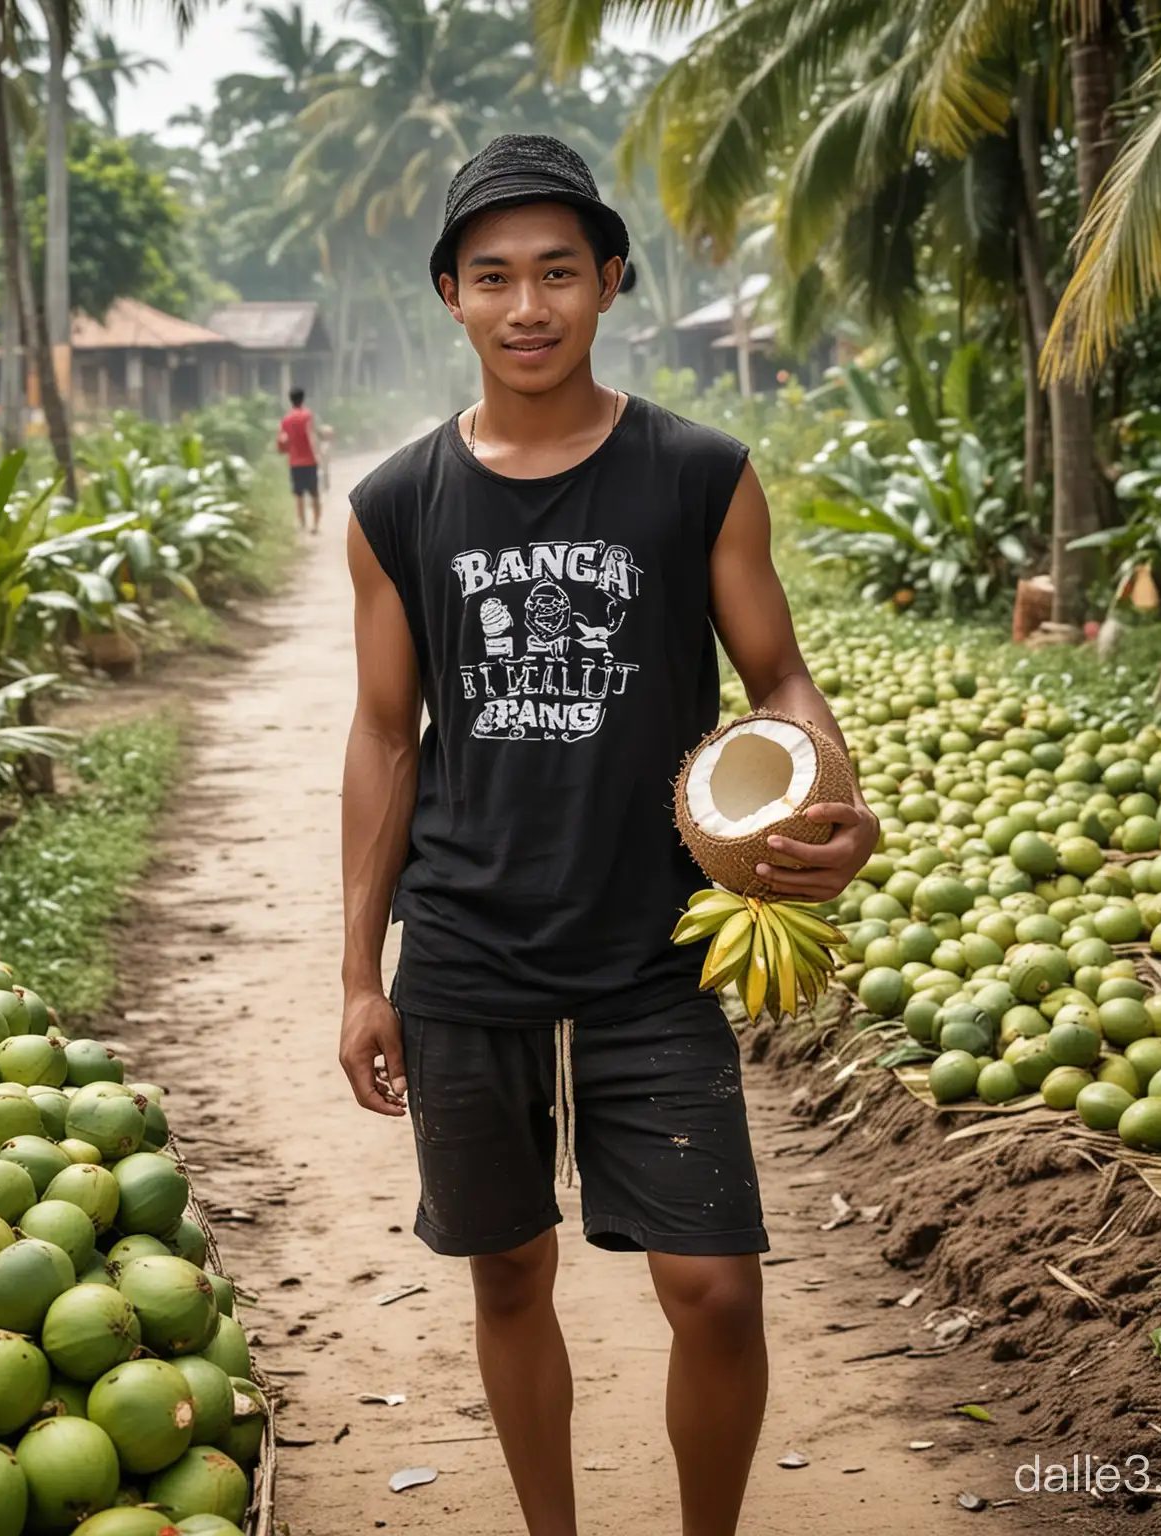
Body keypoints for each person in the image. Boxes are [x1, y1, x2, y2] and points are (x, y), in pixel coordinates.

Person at [338, 134, 878, 1536]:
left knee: (717, 1287)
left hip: (655, 942)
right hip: (464, 942)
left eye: (560, 274)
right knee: (509, 1273)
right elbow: (386, 739)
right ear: (450, 294)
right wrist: (357, 972)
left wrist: (832, 795)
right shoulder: (396, 506)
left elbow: (781, 679)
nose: (530, 307)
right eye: (497, 277)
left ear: (611, 283)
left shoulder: (697, 472)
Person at [277, 386, 321, 532]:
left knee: (299, 495)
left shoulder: (286, 419)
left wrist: (287, 449)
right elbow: (311, 436)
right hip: (309, 461)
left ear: (290, 400)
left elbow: (282, 442)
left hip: (295, 463)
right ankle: (315, 525)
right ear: (303, 398)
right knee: (314, 494)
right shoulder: (307, 415)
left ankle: (302, 523)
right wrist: (317, 455)